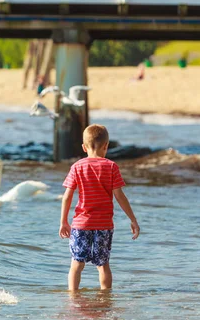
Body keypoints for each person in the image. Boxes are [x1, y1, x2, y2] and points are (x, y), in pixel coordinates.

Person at [59, 124, 140, 291]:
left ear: (83, 147)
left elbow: (67, 196)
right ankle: (105, 299)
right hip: (104, 225)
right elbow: (119, 196)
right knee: (103, 265)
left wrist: (63, 222)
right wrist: (133, 219)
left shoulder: (77, 167)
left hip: (81, 224)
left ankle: (73, 297)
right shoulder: (111, 167)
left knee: (76, 264)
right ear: (106, 146)